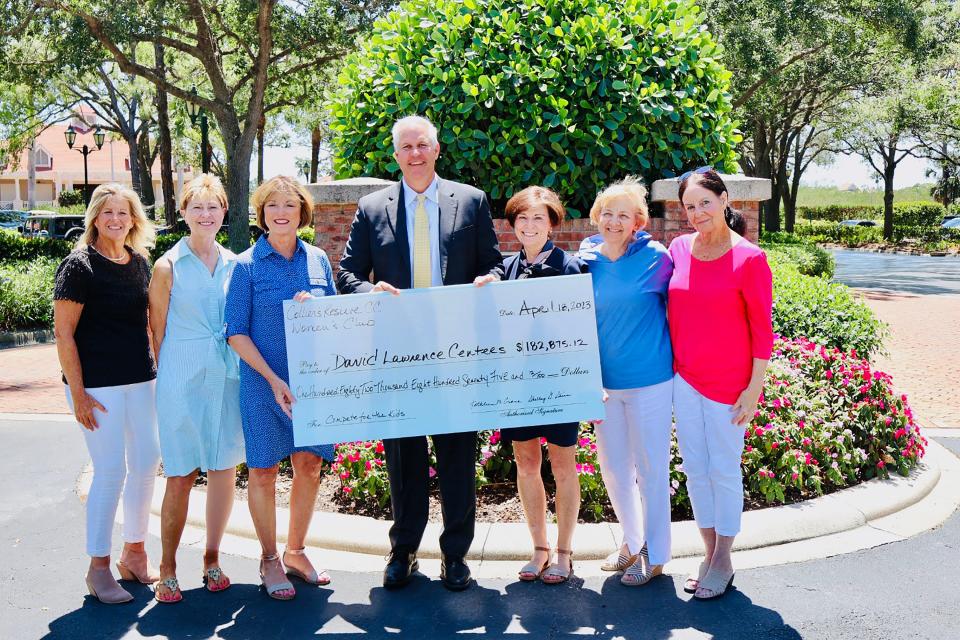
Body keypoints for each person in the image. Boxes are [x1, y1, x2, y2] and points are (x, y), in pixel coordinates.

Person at [337, 114, 503, 591]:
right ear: (396, 155)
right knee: (404, 459)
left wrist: (488, 280)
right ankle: (403, 551)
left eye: (422, 145)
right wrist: (366, 292)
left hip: (456, 353)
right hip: (397, 354)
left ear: (436, 149)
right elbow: (348, 271)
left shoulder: (470, 202)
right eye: (406, 146)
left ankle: (456, 556)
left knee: (456, 456)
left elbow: (493, 263)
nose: (415, 153)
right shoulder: (372, 208)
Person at [225, 176, 337, 600]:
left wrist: (322, 309)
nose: (281, 212)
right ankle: (269, 558)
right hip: (263, 385)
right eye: (273, 205)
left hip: (312, 386)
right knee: (264, 471)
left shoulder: (318, 260)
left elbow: (336, 321)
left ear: (302, 212)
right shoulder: (246, 264)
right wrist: (274, 381)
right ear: (262, 212)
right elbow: (236, 332)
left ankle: (296, 552)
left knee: (309, 465)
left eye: (290, 204)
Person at [669, 167, 773, 600]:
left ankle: (725, 558)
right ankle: (709, 552)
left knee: (723, 470)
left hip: (730, 386)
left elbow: (762, 331)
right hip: (684, 379)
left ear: (725, 199)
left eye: (705, 203)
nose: (697, 213)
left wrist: (753, 389)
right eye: (689, 206)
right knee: (695, 468)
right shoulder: (677, 248)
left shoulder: (749, 258)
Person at [53, 183, 159, 603]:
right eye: (108, 213)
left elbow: (148, 325)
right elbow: (63, 333)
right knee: (111, 469)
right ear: (95, 217)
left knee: (148, 461)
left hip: (141, 380)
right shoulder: (79, 266)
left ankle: (134, 553)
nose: (116, 220)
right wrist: (78, 394)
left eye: (124, 213)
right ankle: (97, 567)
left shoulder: (139, 263)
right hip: (97, 387)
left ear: (134, 219)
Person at [148, 174, 245, 603]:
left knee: (224, 471)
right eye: (197, 207)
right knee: (182, 474)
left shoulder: (236, 264)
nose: (206, 215)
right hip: (181, 379)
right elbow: (157, 332)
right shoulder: (167, 266)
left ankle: (211, 558)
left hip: (225, 378)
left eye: (214, 206)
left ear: (224, 211)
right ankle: (167, 566)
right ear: (183, 212)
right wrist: (170, 379)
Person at [579, 177, 674, 587]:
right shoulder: (584, 259)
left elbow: (687, 304)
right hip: (603, 385)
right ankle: (632, 543)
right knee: (615, 468)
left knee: (651, 468)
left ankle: (656, 553)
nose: (614, 221)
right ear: (596, 217)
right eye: (607, 213)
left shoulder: (658, 257)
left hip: (650, 380)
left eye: (624, 215)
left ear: (638, 221)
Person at [497, 186, 587, 584]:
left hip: (561, 385)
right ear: (513, 224)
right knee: (527, 464)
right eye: (522, 218)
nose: (530, 225)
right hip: (518, 386)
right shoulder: (505, 270)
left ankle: (565, 552)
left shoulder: (570, 268)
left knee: (564, 468)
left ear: (552, 223)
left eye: (538, 218)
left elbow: (583, 332)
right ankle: (539, 549)